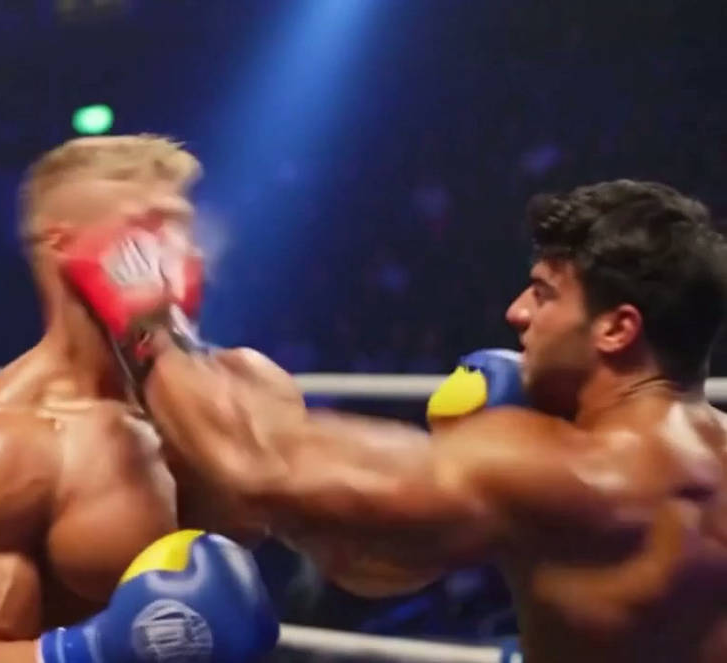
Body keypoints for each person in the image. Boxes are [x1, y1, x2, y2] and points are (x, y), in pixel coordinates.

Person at [64, 179, 727, 662]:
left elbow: (264, 465)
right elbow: (382, 560)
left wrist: (150, 324)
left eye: (544, 293)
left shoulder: (564, 469)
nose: (517, 313)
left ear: (616, 328)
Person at [0, 135, 277, 663]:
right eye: (150, 227)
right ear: (62, 245)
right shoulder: (5, 448)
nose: (185, 251)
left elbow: (369, 549)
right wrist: (93, 649)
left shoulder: (245, 391)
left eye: (184, 227)